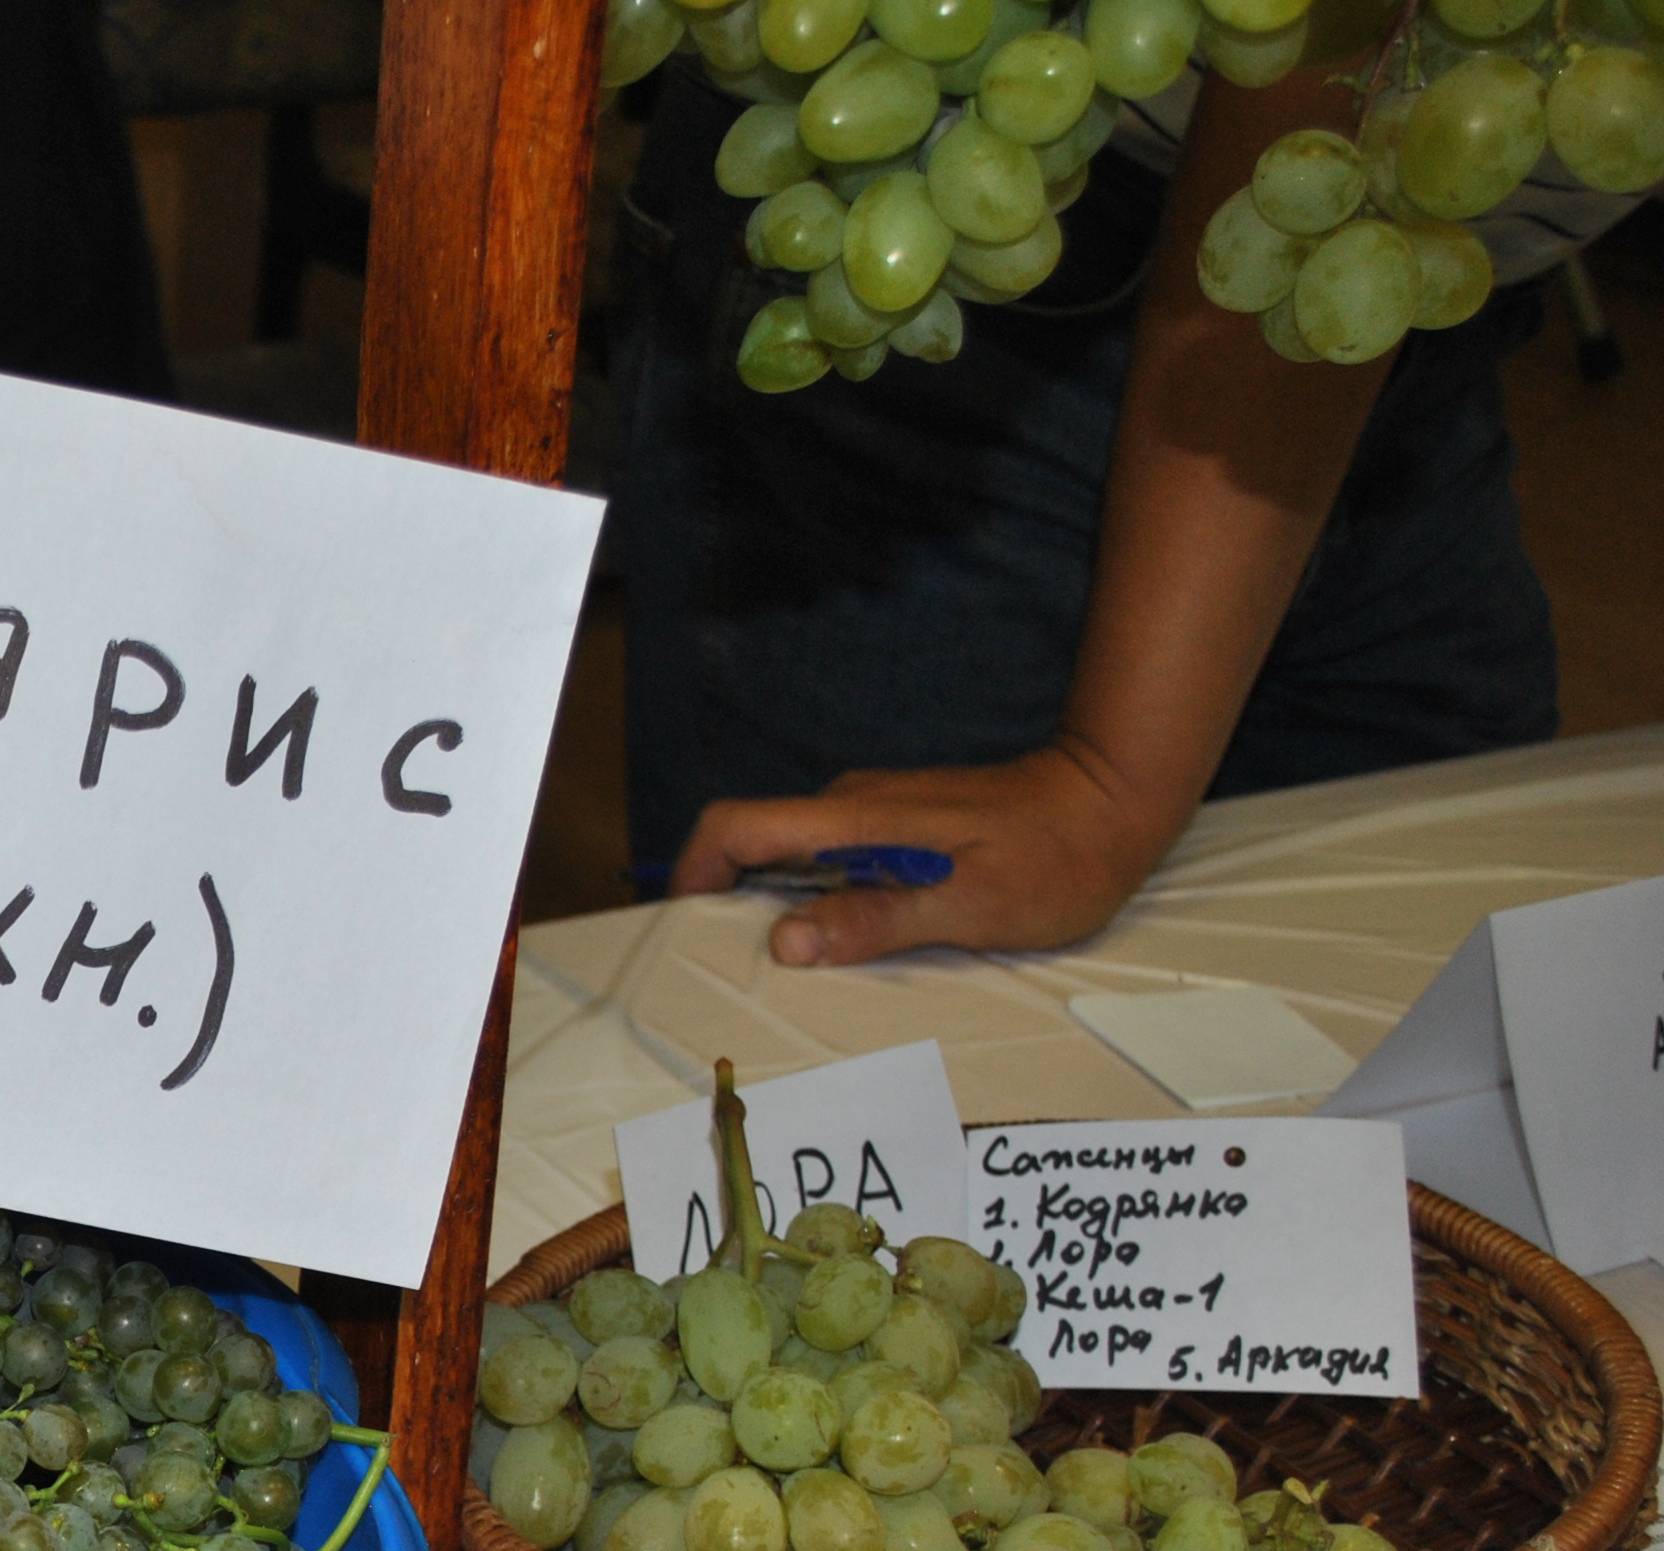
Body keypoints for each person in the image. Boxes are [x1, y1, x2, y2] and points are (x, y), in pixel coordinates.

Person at [616, 46, 1638, 969]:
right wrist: (1112, 781)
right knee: (837, 1020)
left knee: (1418, 999)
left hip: (1424, 296)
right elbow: (1312, 50)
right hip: (976, 243)